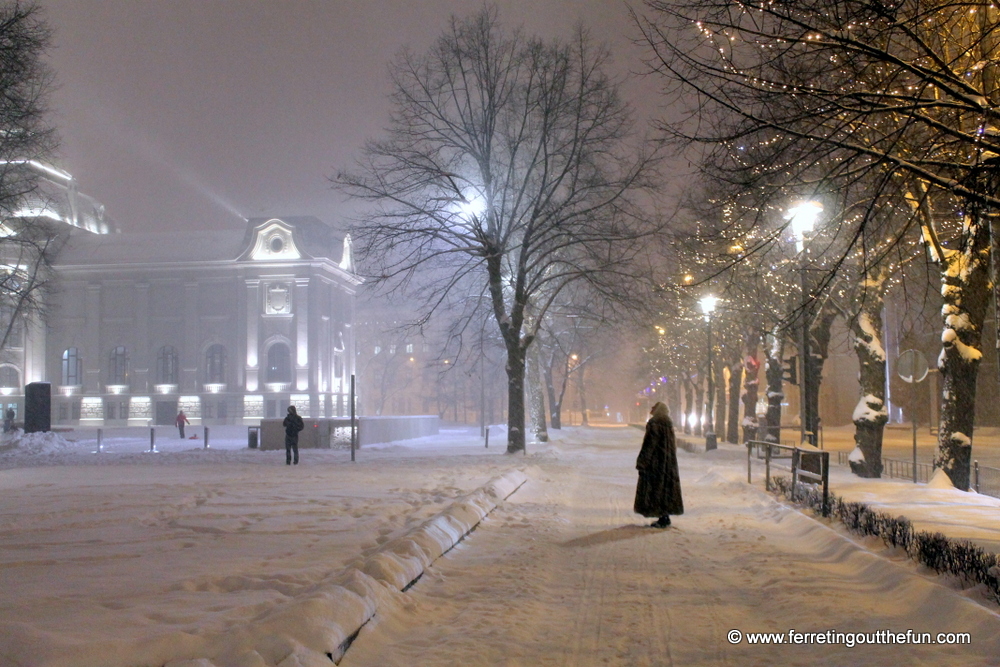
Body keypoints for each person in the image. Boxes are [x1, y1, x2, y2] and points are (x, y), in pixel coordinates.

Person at [634, 401, 684, 528]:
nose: (651, 408)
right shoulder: (668, 423)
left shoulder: (654, 423)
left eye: (654, 407)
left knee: (656, 488)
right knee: (665, 489)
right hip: (667, 462)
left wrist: (643, 461)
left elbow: (649, 444)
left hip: (655, 463)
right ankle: (664, 516)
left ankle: (662, 517)